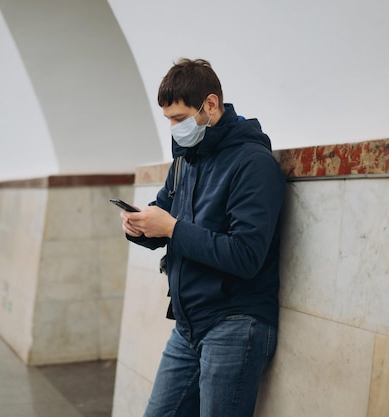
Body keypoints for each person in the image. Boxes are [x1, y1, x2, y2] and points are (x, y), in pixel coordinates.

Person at [119, 58, 286, 417]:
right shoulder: (186, 162)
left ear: (210, 105)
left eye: (179, 119)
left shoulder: (253, 163)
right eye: (168, 121)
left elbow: (245, 254)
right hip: (189, 324)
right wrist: (140, 227)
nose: (173, 129)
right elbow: (164, 221)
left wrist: (171, 228)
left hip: (235, 324)